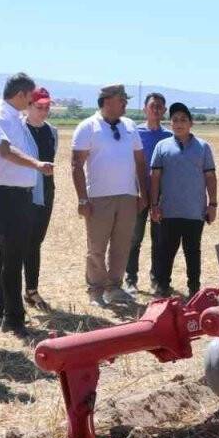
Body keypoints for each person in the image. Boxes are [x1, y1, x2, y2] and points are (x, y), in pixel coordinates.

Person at [0, 73, 54, 337]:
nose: (32, 101)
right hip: (7, 195)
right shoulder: (1, 118)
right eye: (30, 97)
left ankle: (2, 310)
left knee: (8, 255)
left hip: (20, 194)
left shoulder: (14, 118)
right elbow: (6, 151)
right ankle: (12, 317)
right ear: (21, 95)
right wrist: (36, 165)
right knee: (12, 258)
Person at [71, 84, 148, 307]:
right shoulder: (88, 127)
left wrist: (142, 193)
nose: (125, 103)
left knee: (122, 245)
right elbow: (76, 165)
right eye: (121, 99)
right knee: (96, 246)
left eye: (125, 99)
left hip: (127, 196)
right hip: (98, 198)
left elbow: (140, 162)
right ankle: (95, 291)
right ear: (106, 101)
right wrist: (82, 199)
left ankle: (114, 287)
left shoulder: (130, 126)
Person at [149, 102, 217, 298]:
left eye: (183, 120)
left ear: (191, 123)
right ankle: (163, 286)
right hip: (169, 211)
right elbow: (155, 177)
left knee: (193, 252)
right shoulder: (162, 147)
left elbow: (210, 177)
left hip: (195, 211)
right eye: (175, 120)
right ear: (170, 123)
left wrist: (212, 204)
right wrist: (154, 204)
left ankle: (194, 289)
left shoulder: (203, 147)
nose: (179, 124)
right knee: (166, 251)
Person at [125, 92, 171, 293]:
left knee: (159, 239)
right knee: (134, 238)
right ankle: (130, 279)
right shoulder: (133, 133)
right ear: (145, 108)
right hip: (137, 192)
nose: (156, 109)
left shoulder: (169, 136)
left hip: (160, 195)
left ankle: (157, 279)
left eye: (160, 106)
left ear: (164, 111)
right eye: (153, 105)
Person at [21, 86, 58, 310]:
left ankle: (31, 290)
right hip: (24, 194)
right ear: (28, 106)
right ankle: (15, 294)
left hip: (46, 192)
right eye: (39, 107)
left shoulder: (52, 132)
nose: (43, 111)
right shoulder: (19, 130)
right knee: (20, 243)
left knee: (36, 242)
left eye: (47, 107)